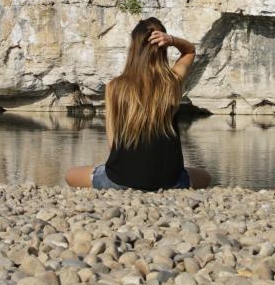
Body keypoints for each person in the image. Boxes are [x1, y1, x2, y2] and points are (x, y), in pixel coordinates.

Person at [65, 17, 211, 190]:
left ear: (134, 48)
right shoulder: (172, 83)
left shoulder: (115, 87)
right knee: (206, 177)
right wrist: (171, 40)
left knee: (70, 174)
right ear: (162, 48)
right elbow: (190, 51)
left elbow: (113, 145)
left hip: (120, 179)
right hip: (169, 181)